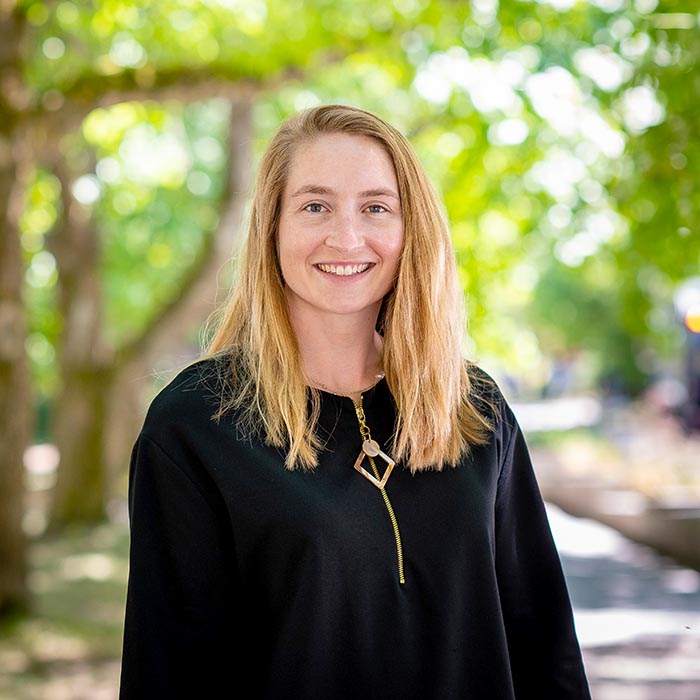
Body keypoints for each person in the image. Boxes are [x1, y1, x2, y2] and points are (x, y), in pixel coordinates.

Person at [119, 104, 591, 699]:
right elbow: (167, 674)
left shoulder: (473, 406)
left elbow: (544, 644)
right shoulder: (195, 425)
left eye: (375, 208)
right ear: (273, 228)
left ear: (408, 229)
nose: (346, 237)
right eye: (315, 206)